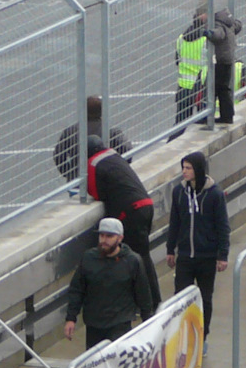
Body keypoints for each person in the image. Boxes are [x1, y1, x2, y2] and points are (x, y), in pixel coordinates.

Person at [64, 217, 156, 348]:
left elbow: (143, 293)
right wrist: (71, 318)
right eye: (101, 235)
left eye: (109, 236)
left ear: (120, 238)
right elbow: (77, 290)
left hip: (120, 324)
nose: (104, 240)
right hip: (94, 324)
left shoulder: (132, 261)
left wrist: (148, 322)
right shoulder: (89, 258)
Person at [86, 139, 158, 306]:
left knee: (137, 259)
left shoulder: (93, 163)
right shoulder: (114, 155)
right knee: (143, 255)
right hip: (145, 205)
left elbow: (94, 192)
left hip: (131, 211)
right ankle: (153, 301)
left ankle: (150, 303)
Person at [164, 153, 229, 338]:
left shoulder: (214, 194)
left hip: (206, 257)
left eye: (188, 168)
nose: (184, 171)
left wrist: (222, 255)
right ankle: (181, 336)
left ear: (198, 169)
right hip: (185, 256)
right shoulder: (179, 192)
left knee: (204, 299)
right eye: (183, 167)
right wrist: (170, 249)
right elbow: (174, 222)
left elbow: (222, 226)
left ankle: (202, 335)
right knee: (180, 299)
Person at [53, 96, 131, 183]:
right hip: (106, 181)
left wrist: (69, 174)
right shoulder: (112, 132)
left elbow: (58, 155)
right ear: (102, 111)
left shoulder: (70, 132)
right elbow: (127, 151)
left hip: (78, 180)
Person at [197, 3, 242, 125]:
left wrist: (209, 33)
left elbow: (219, 34)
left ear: (207, 13)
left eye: (201, 14)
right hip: (228, 59)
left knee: (212, 88)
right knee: (224, 89)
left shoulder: (216, 22)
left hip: (220, 60)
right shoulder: (227, 20)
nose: (200, 17)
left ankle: (206, 117)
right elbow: (237, 26)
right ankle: (227, 116)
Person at [174, 11, 210, 125]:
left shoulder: (181, 38)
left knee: (180, 124)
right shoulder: (205, 41)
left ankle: (174, 142)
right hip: (200, 87)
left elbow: (177, 60)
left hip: (183, 87)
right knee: (204, 122)